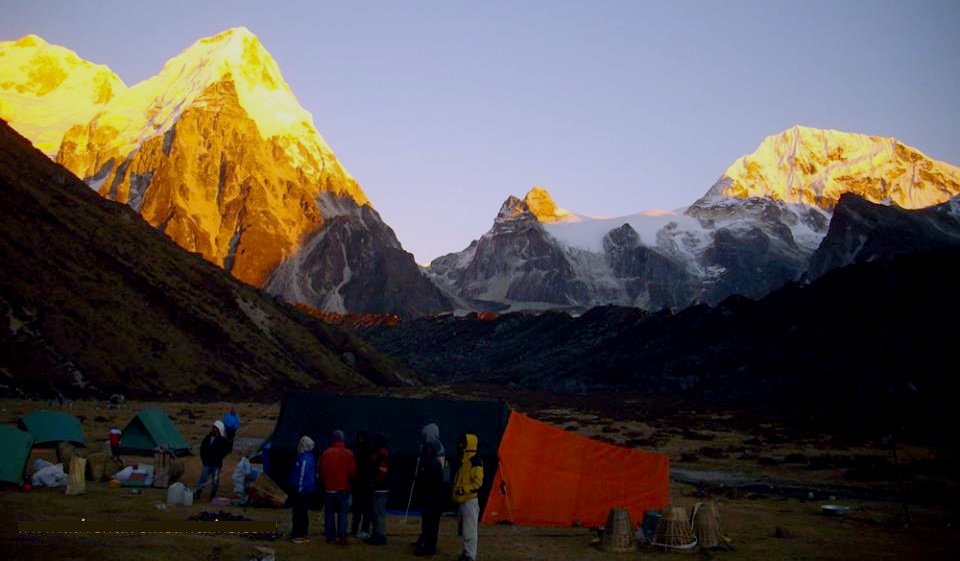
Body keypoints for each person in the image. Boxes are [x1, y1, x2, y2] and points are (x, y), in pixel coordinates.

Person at [414, 423, 446, 557]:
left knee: (431, 520)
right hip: (432, 491)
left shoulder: (434, 449)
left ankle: (429, 546)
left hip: (432, 492)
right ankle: (425, 540)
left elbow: (433, 473)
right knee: (428, 519)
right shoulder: (437, 448)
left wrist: (422, 480)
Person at [319, 430, 356, 545]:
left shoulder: (326, 453)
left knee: (329, 513)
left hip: (329, 488)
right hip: (343, 488)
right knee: (343, 513)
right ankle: (343, 535)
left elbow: (321, 470)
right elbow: (353, 472)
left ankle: (330, 537)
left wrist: (325, 482)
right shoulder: (349, 453)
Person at [452, 433, 484, 561]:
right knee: (463, 529)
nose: (460, 445)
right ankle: (466, 553)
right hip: (462, 499)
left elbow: (478, 483)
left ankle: (470, 556)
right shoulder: (464, 461)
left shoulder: (475, 461)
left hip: (469, 500)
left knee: (469, 529)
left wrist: (464, 490)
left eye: (462, 443)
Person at [288, 435, 316, 544]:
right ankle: (297, 532)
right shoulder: (305, 457)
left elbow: (302, 474)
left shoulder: (305, 459)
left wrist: (299, 487)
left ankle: (301, 534)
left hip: (302, 489)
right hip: (302, 488)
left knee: (300, 512)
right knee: (299, 511)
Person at [366, 432, 390, 546]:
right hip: (380, 487)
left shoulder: (381, 454)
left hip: (379, 488)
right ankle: (377, 534)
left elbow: (381, 471)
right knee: (376, 513)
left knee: (378, 513)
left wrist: (374, 482)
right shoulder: (380, 453)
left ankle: (379, 536)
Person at [196, 420, 229, 501]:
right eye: (213, 427)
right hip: (207, 462)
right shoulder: (207, 438)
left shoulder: (222, 440)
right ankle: (198, 492)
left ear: (219, 429)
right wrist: (203, 458)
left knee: (215, 479)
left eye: (216, 428)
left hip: (216, 463)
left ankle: (213, 493)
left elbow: (226, 450)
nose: (214, 429)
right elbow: (202, 448)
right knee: (203, 478)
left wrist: (220, 456)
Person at [350, 431, 373, 539]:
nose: (361, 440)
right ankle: (356, 529)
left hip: (364, 484)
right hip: (359, 484)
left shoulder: (365, 451)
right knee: (358, 509)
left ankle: (363, 529)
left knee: (363, 509)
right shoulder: (358, 451)